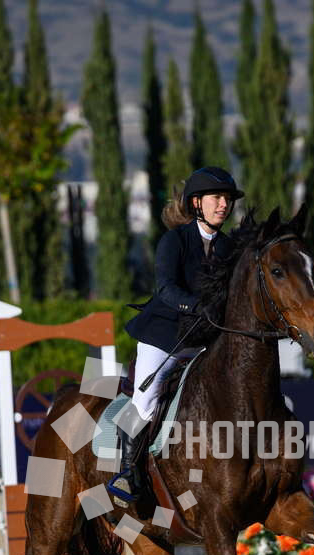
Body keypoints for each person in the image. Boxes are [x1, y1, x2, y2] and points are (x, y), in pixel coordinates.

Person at [108, 166, 244, 504]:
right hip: (165, 335)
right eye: (217, 198)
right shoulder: (175, 240)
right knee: (147, 395)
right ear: (196, 203)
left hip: (205, 338)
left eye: (227, 199)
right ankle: (127, 473)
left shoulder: (229, 248)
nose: (224, 204)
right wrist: (198, 306)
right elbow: (166, 289)